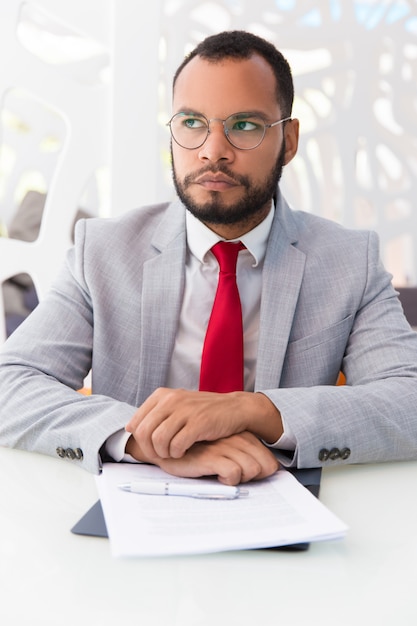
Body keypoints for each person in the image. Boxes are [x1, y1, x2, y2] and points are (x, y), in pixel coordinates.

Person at [1, 30, 417, 485]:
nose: (213, 150)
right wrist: (144, 441)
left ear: (289, 140)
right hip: (132, 514)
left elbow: (408, 400)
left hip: (286, 512)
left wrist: (252, 410)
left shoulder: (350, 261)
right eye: (192, 122)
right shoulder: (102, 250)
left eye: (244, 126)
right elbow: (12, 384)